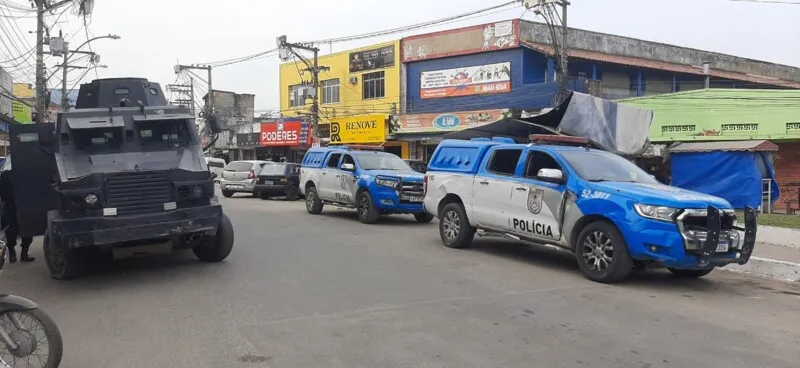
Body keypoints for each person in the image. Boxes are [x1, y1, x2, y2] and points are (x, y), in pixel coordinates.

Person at [0, 155, 34, 263]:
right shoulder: (5, 174)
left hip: (25, 204)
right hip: (11, 205)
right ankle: (12, 253)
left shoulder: (27, 172)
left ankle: (24, 254)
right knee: (11, 231)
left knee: (28, 229)